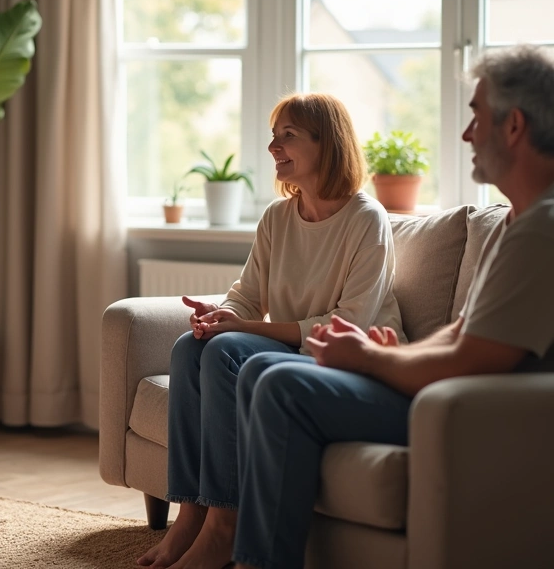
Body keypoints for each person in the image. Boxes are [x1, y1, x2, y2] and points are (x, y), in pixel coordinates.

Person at [230, 45, 554, 569]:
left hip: (492, 414)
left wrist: (374, 361)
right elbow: (467, 331)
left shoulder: (550, 231)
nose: (467, 134)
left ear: (514, 127)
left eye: (476, 117)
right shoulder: (530, 217)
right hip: (468, 394)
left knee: (282, 383)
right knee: (262, 365)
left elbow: (474, 361)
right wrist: (388, 353)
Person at [138, 93, 403, 569]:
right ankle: (190, 515)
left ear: (328, 144)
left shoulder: (366, 219)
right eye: (273, 135)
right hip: (295, 353)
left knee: (226, 352)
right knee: (189, 349)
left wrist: (239, 328)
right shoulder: (278, 218)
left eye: (288, 136)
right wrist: (221, 314)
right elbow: (246, 294)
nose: (272, 146)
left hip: (347, 361)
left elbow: (348, 326)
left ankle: (225, 526)